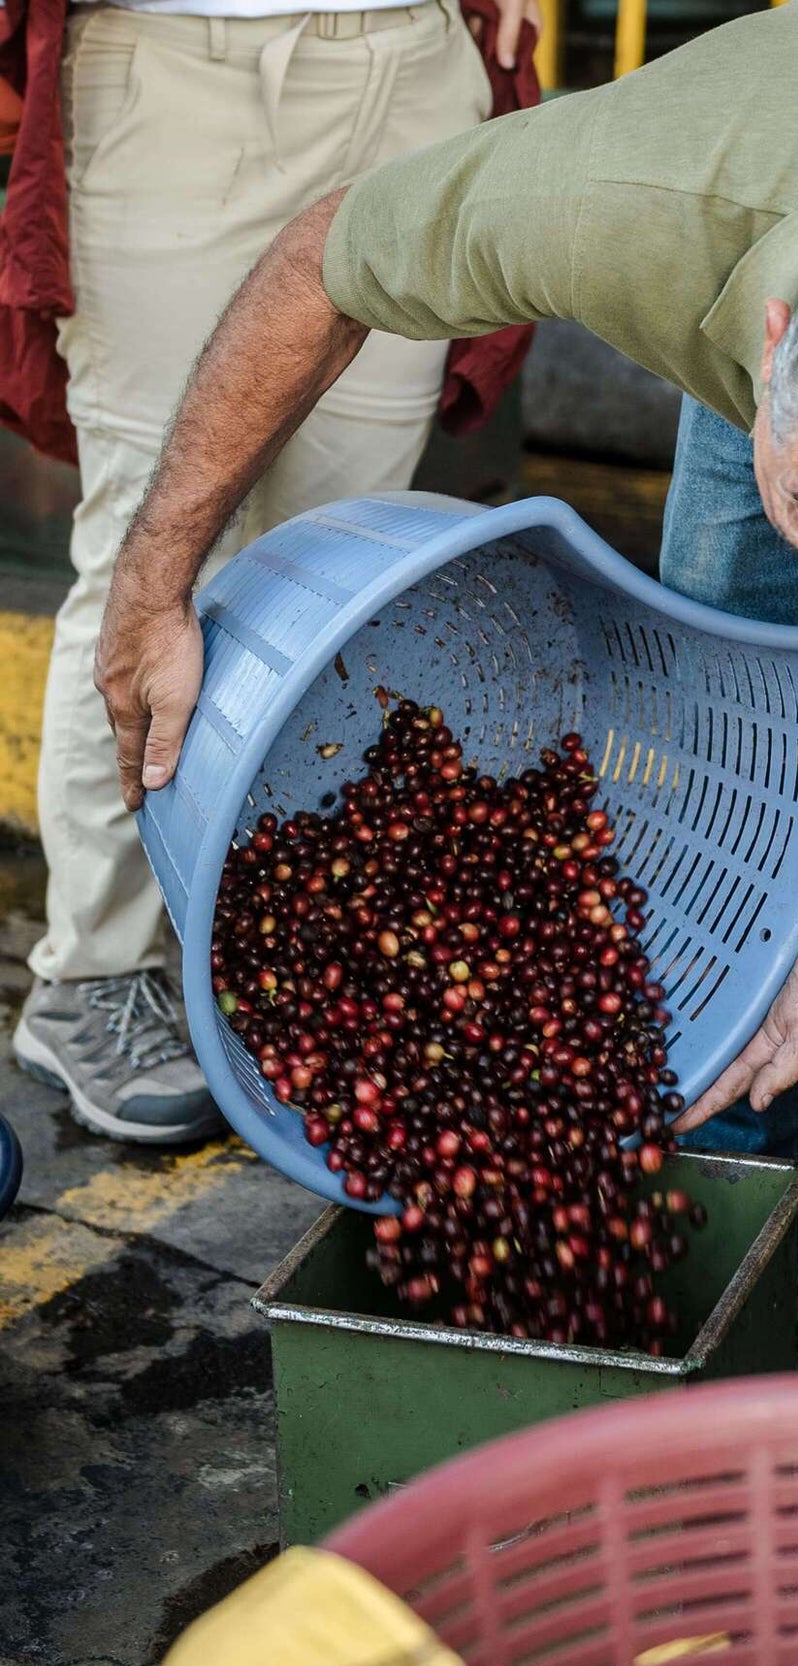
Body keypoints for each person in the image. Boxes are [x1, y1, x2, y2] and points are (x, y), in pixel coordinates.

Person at [93, 0, 798, 1372]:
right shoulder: (627, 207)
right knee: (738, 753)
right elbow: (322, 267)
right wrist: (151, 583)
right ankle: (751, 1225)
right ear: (771, 345)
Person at [1, 0, 539, 1144]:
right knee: (148, 554)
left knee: (350, 579)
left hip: (410, 72)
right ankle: (94, 972)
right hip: (173, 73)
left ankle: (295, 966)